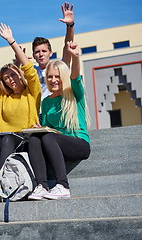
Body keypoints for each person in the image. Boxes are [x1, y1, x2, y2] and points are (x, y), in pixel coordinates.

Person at [0, 23, 41, 203]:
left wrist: (11, 41)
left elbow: (30, 70)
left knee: (5, 138)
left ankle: (1, 184)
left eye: (13, 75)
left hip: (23, 140)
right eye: (6, 78)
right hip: (3, 139)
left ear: (19, 75)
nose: (10, 80)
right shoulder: (3, 96)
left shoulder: (32, 92)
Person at [27, 41, 90, 200]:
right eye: (50, 77)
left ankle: (63, 185)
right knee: (35, 138)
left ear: (63, 77)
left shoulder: (74, 93)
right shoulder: (46, 101)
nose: (54, 80)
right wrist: (40, 128)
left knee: (48, 137)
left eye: (57, 76)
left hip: (78, 144)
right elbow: (49, 129)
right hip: (57, 143)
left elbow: (75, 76)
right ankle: (41, 185)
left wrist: (75, 57)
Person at [32, 2, 75, 101]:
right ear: (33, 55)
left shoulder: (59, 66)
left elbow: (67, 46)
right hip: (38, 113)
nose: (41, 54)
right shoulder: (32, 71)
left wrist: (70, 25)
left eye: (44, 51)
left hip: (56, 109)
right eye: (37, 52)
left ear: (50, 53)